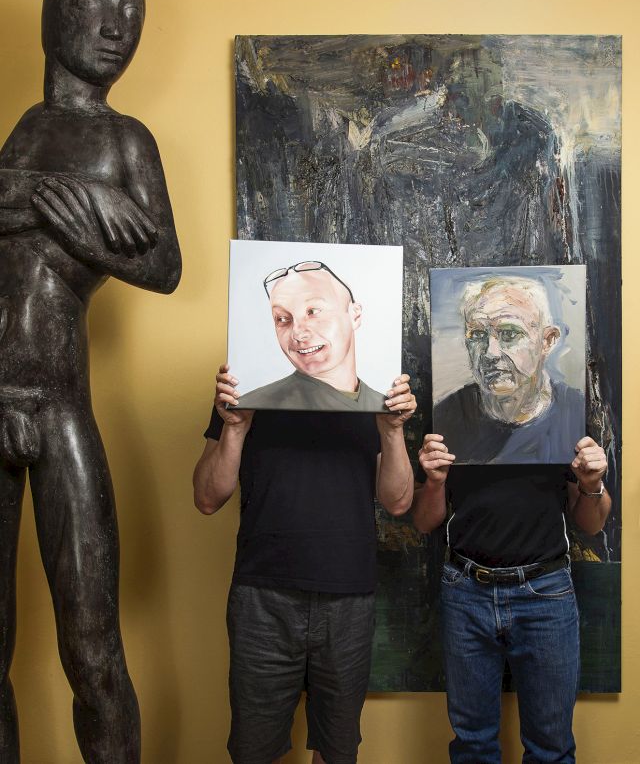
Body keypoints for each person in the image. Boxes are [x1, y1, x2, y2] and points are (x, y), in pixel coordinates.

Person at [0, 0, 180, 763]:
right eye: (100, 7)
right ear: (53, 14)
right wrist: (56, 199)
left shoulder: (125, 144)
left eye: (132, 17)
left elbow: (163, 264)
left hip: (62, 402)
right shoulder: (23, 136)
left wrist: (78, 217)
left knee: (94, 652)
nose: (118, 29)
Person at [193, 361, 417, 764]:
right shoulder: (249, 380)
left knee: (336, 750)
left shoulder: (373, 387)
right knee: (253, 750)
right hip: (262, 597)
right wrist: (236, 427)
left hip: (348, 596)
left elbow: (399, 501)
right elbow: (208, 498)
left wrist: (393, 430)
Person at [413, 427, 611, 762]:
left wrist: (592, 484)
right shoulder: (453, 411)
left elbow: (592, 524)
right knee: (472, 746)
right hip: (467, 589)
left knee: (551, 747)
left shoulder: (562, 412)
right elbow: (423, 522)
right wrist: (434, 482)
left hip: (545, 592)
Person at [434, 275, 584, 463]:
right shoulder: (446, 418)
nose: (490, 353)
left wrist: (592, 485)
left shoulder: (578, 414)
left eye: (509, 333)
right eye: (478, 335)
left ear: (547, 341)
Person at [234, 261, 388, 411]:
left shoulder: (386, 408)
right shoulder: (245, 405)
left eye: (313, 312)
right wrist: (234, 428)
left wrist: (393, 429)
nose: (298, 333)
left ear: (355, 316)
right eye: (282, 319)